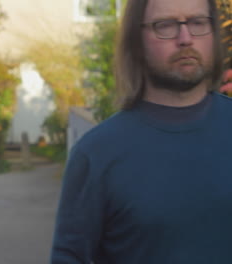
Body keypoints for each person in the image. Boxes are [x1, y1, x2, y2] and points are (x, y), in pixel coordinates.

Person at [50, 0, 231, 263]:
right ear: (136, 41)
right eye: (165, 25)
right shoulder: (98, 154)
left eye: (197, 22)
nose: (185, 38)